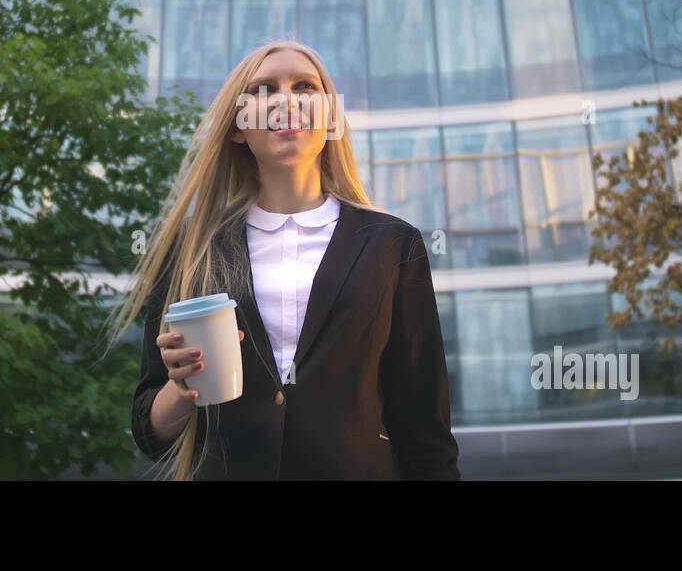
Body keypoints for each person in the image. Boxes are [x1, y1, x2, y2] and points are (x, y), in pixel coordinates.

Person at [106, 40, 459, 480]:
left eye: (305, 86)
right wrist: (182, 389)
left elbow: (424, 428)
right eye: (263, 89)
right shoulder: (193, 247)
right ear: (238, 127)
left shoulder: (392, 244)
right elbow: (149, 431)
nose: (285, 100)